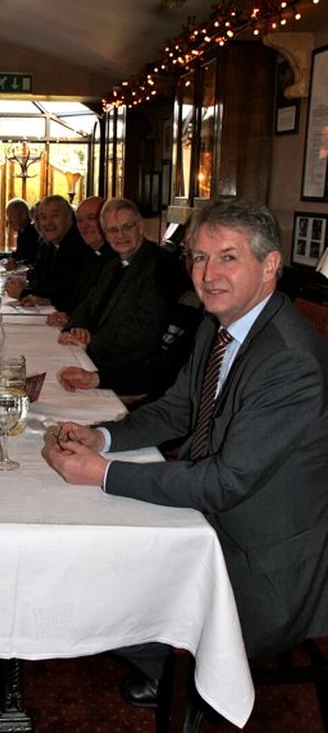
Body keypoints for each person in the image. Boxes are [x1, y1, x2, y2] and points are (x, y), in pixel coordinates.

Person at [43, 199, 328, 722]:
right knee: (84, 555)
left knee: (100, 587)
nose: (209, 275)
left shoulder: (288, 361)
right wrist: (101, 438)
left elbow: (224, 483)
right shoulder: (221, 324)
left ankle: (197, 687)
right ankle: (171, 670)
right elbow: (176, 409)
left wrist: (102, 474)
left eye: (227, 258)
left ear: (270, 266)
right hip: (213, 519)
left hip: (260, 561)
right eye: (199, 258)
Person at [57, 197, 182, 395]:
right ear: (105, 234)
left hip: (128, 374)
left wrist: (92, 343)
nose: (120, 235)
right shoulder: (113, 265)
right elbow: (88, 305)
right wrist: (76, 328)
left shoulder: (160, 265)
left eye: (127, 227)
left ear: (140, 226)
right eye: (113, 230)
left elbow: (145, 330)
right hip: (98, 360)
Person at [5, 194, 91, 314]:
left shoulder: (76, 245)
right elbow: (43, 280)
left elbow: (64, 293)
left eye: (54, 216)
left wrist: (23, 292)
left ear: (69, 217)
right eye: (43, 217)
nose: (48, 223)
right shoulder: (54, 244)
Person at [46, 196, 114, 327]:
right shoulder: (92, 256)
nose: (84, 225)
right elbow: (78, 300)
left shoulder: (115, 260)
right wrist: (67, 315)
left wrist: (71, 319)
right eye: (80, 220)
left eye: (91, 218)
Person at [4, 197, 40, 269]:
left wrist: (17, 263)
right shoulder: (22, 231)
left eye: (12, 218)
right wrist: (0, 256)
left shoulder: (35, 231)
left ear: (23, 215)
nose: (10, 223)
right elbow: (19, 254)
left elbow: (34, 259)